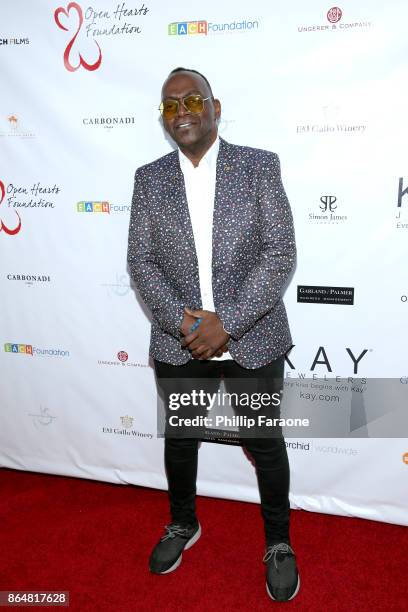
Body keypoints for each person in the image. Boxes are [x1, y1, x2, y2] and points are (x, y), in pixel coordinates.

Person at [127, 67, 298, 602]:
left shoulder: (258, 166)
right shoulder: (149, 178)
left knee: (264, 442)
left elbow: (279, 252)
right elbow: (141, 261)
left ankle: (278, 542)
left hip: (253, 334)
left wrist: (229, 320)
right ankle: (183, 522)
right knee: (181, 439)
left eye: (192, 101)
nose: (182, 113)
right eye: (170, 106)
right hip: (179, 340)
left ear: (215, 107)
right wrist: (186, 323)